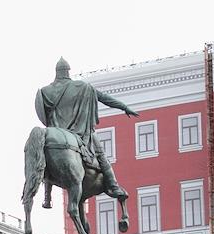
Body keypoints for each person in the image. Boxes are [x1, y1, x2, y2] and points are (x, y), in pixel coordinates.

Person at [35, 57, 139, 205]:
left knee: (46, 153)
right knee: (101, 155)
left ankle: (47, 197)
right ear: (68, 71)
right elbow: (105, 98)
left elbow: (42, 114)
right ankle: (113, 185)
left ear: (56, 72)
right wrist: (124, 107)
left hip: (56, 131)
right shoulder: (82, 87)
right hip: (79, 132)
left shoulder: (45, 91)